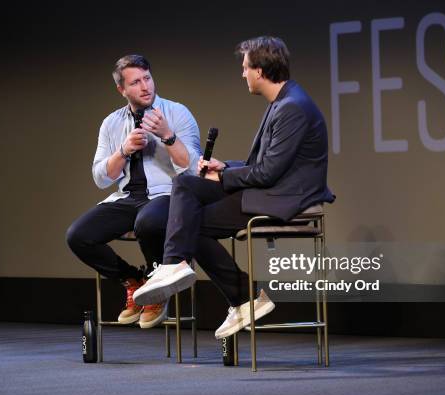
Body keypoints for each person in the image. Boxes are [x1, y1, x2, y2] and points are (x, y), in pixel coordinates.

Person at [133, 36, 335, 338]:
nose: (243, 74)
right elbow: (266, 163)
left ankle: (238, 296)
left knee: (194, 221)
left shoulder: (293, 107)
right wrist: (224, 167)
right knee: (187, 183)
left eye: (245, 68)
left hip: (285, 195)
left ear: (261, 71)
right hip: (271, 186)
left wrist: (223, 178)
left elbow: (268, 173)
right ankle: (176, 264)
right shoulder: (282, 102)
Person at [66, 55, 201, 329]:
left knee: (147, 222)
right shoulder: (111, 124)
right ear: (122, 89)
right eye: (136, 82)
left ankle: (156, 289)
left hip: (168, 195)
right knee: (78, 236)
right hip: (128, 198)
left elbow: (193, 170)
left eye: (147, 78)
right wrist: (123, 151)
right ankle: (132, 280)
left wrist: (167, 136)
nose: (144, 87)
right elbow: (101, 178)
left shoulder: (177, 113)